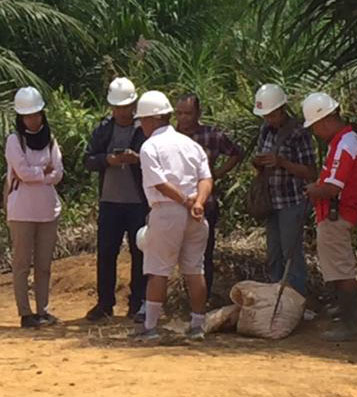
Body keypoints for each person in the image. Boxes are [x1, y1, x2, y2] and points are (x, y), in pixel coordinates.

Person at [134, 91, 213, 342]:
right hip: (195, 215)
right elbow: (206, 178)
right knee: (194, 269)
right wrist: (198, 202)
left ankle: (150, 327)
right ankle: (198, 325)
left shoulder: (150, 147)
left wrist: (186, 200)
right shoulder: (191, 144)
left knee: (158, 269)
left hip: (167, 211)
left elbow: (159, 183)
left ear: (151, 119)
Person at [301, 91, 357, 342]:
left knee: (341, 269)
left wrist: (312, 190)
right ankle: (344, 311)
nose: (316, 132)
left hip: (336, 213)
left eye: (315, 127)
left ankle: (350, 324)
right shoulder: (345, 141)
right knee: (336, 267)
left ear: (325, 120)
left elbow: (333, 187)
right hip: (337, 212)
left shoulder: (344, 144)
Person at [82, 77, 148, 323]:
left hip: (138, 202)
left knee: (139, 252)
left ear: (134, 105)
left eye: (126, 106)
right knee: (106, 252)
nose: (121, 111)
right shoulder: (103, 129)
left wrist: (137, 158)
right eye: (117, 107)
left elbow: (157, 159)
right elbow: (87, 159)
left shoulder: (143, 129)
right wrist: (106, 160)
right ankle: (105, 303)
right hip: (110, 202)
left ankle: (137, 303)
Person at [4, 86, 65, 328]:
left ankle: (43, 309)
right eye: (28, 115)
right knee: (21, 263)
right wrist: (43, 172)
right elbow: (22, 172)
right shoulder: (14, 140)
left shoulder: (50, 140)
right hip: (21, 211)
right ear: (20, 118)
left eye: (37, 114)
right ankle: (25, 312)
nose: (33, 119)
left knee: (44, 265)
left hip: (47, 210)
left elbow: (58, 173)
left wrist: (38, 174)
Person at [249, 83, 317, 296]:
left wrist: (282, 162)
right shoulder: (265, 130)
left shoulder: (299, 133)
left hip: (292, 201)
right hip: (271, 201)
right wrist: (259, 163)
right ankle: (274, 295)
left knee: (291, 252)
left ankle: (295, 298)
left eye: (271, 115)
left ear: (281, 110)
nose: (268, 119)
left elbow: (311, 172)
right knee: (274, 253)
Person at [174, 93, 243, 298]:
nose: (183, 118)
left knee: (203, 255)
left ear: (198, 113)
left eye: (188, 113)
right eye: (179, 113)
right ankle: (179, 298)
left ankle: (201, 301)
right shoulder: (170, 137)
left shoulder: (211, 135)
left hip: (204, 204)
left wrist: (217, 174)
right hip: (175, 203)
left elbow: (236, 153)